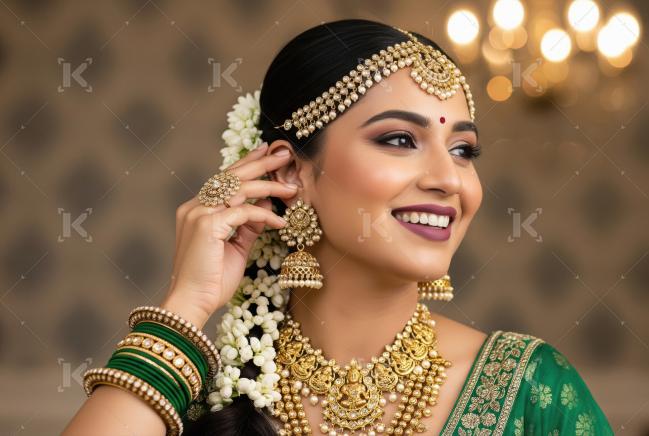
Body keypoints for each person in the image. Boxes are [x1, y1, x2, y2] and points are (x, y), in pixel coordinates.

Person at [63, 18, 613, 436]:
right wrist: (187, 304)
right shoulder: (196, 398)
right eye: (399, 139)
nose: (451, 180)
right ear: (289, 172)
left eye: (464, 150)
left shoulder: (531, 390)